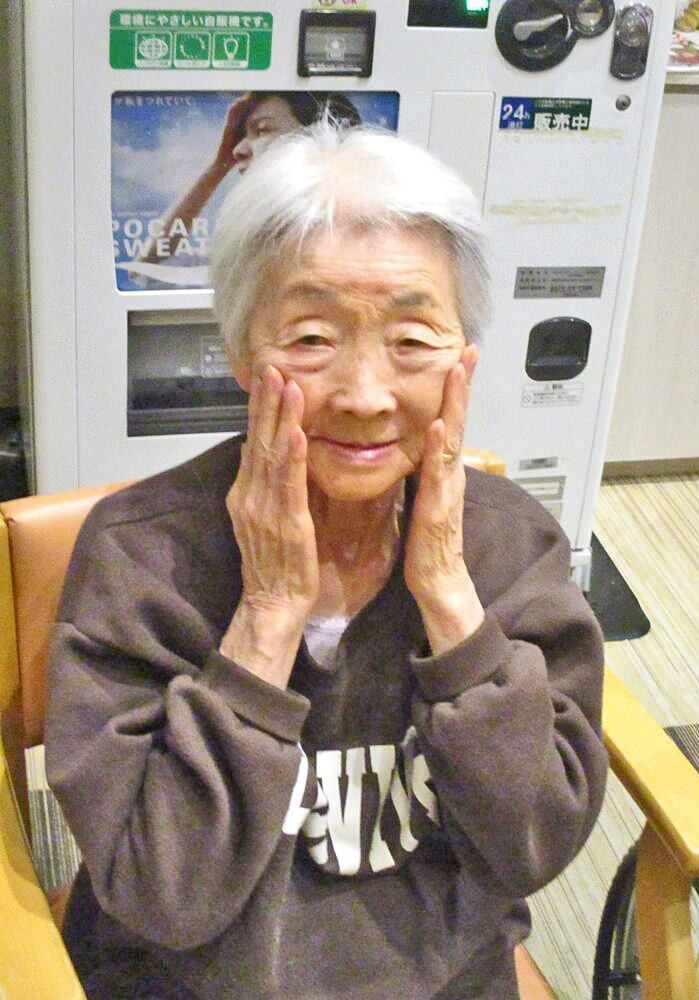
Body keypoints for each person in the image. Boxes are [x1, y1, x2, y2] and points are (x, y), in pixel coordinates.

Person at [47, 120, 608, 1000]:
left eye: (412, 341)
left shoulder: (511, 548)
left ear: (462, 361)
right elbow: (161, 895)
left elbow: (530, 845)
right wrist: (267, 617)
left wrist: (451, 603)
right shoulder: (141, 558)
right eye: (311, 338)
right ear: (243, 354)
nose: (365, 394)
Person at [136, 90, 361, 265]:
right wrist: (219, 165)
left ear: (321, 136)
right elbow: (146, 267)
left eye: (262, 130)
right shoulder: (248, 245)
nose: (238, 150)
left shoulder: (359, 239)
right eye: (241, 137)